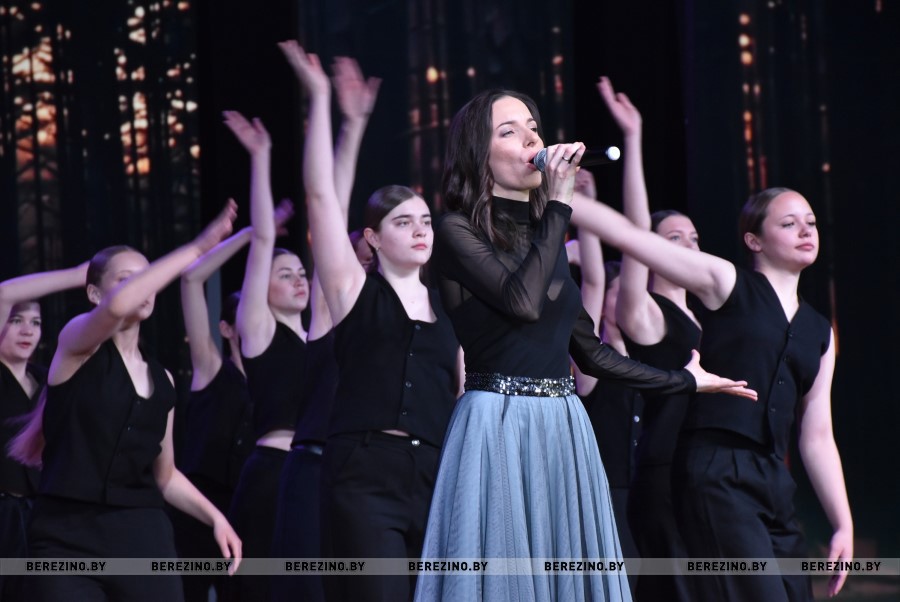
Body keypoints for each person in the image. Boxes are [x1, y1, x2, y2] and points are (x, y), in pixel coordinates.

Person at [415, 88, 755, 602]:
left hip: (564, 425)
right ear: (477, 155)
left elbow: (592, 354)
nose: (531, 140)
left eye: (533, 128)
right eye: (509, 131)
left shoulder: (545, 232)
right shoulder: (456, 230)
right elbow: (522, 302)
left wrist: (684, 381)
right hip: (498, 422)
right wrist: (558, 205)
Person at [570, 88, 853, 599]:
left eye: (811, 222)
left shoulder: (817, 331)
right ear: (754, 240)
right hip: (712, 471)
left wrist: (843, 522)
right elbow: (634, 238)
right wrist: (561, 197)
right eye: (788, 223)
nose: (805, 230)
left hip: (772, 477)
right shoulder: (727, 283)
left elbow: (817, 436)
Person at [280, 41, 462, 602]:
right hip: (363, 475)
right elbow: (320, 197)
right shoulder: (352, 290)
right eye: (403, 222)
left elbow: (461, 399)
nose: (420, 229)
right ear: (373, 238)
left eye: (425, 220)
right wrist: (326, 106)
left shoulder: (451, 311)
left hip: (434, 476)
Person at [9, 203, 242, 602]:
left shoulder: (164, 380)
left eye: (149, 277)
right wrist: (198, 247)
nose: (146, 287)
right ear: (94, 293)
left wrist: (216, 517)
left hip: (142, 537)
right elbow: (117, 307)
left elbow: (165, 476)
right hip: (66, 538)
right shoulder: (76, 347)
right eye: (129, 279)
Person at [270, 51, 380, 602]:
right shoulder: (333, 307)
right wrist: (347, 122)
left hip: (380, 481)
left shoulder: (420, 314)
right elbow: (326, 202)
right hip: (316, 473)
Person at [597, 77, 700, 602]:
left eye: (694, 238)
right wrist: (633, 139)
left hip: (708, 473)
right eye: (674, 239)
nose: (689, 247)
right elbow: (635, 230)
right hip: (664, 474)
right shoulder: (646, 315)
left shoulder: (709, 314)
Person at [172, 200, 291, 602]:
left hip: (252, 503)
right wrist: (253, 234)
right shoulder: (211, 367)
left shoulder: (278, 376)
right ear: (226, 327)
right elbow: (191, 281)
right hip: (198, 508)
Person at [222, 109, 310, 602]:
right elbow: (262, 240)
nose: (298, 280)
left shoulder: (321, 335)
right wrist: (261, 156)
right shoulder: (259, 329)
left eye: (301, 273)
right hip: (273, 475)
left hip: (318, 474)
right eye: (285, 274)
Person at [0, 263, 87, 601]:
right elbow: (3, 294)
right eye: (16, 320)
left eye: (35, 322)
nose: (27, 331)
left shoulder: (46, 379)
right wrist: (78, 275)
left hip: (42, 514)